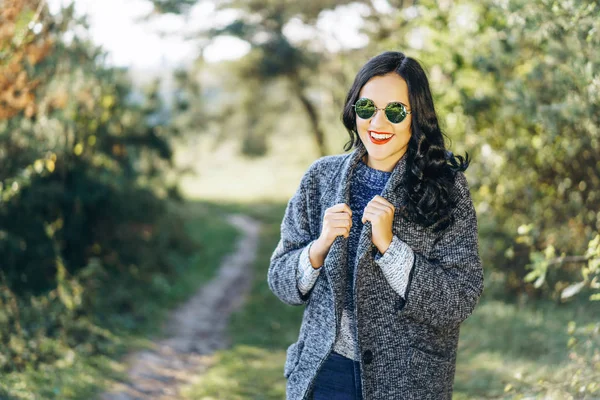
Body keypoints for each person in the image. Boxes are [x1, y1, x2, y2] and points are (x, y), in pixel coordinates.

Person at [267, 51, 484, 400]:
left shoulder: (446, 187)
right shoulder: (320, 178)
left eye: (395, 111)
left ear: (417, 117)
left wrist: (391, 248)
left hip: (407, 381)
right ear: (354, 110)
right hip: (325, 375)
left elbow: (460, 299)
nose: (378, 123)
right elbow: (280, 281)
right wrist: (318, 248)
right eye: (367, 108)